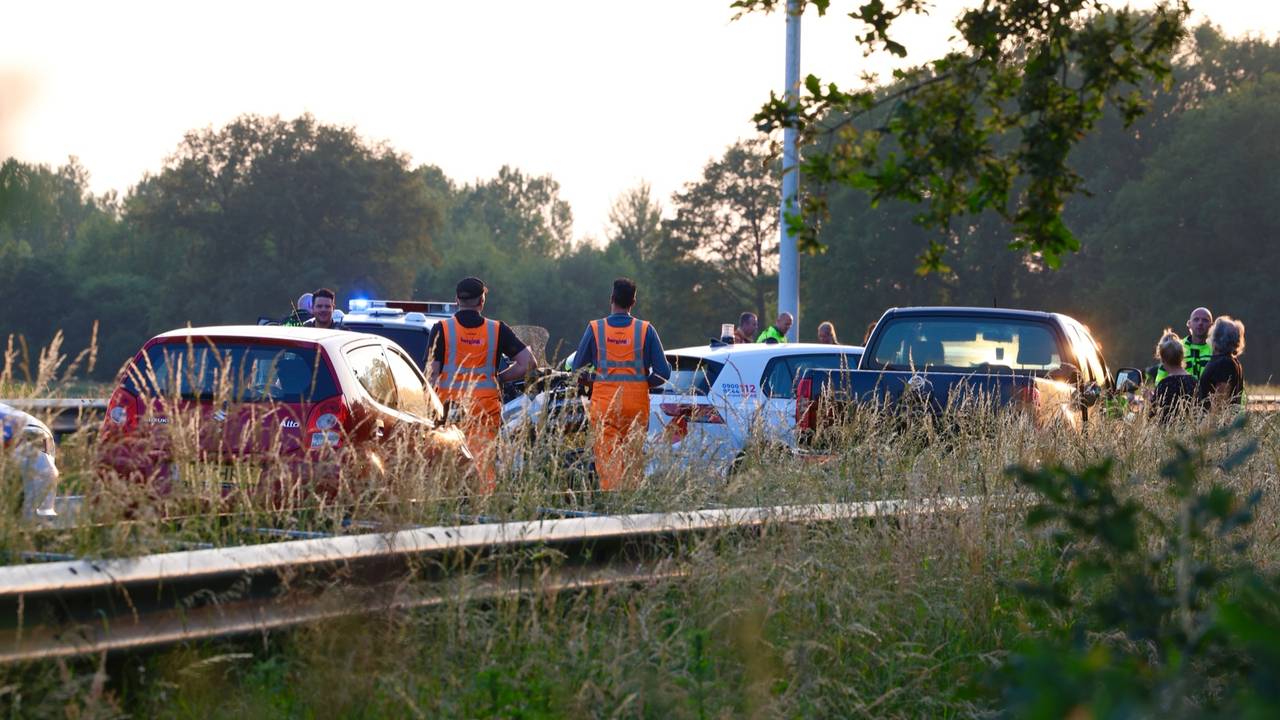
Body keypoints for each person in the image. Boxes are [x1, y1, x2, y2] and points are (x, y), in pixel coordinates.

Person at [428, 277, 535, 492]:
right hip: (484, 412)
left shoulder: (441, 329)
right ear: (482, 301)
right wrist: (499, 378)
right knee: (482, 464)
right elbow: (528, 363)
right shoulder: (497, 329)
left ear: (456, 300)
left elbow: (431, 375)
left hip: (448, 411)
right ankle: (483, 504)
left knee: (447, 466)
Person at [571, 278, 671, 491]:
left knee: (608, 462)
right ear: (633, 302)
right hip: (636, 407)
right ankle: (630, 502)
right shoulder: (646, 330)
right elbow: (663, 372)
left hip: (605, 407)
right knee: (632, 462)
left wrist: (593, 381)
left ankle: (612, 501)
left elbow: (576, 369)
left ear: (612, 299)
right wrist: (642, 384)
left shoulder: (595, 329)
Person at [1197, 316, 1245, 411]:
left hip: (1216, 420)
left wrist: (1208, 420)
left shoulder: (1224, 363)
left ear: (1217, 337)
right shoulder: (1230, 361)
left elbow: (1219, 403)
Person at [1154, 307, 1213, 384]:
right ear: (1189, 324)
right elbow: (1160, 379)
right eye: (1196, 319)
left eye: (1205, 320)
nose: (1200, 323)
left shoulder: (1216, 349)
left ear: (1212, 325)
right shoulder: (1177, 348)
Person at [1149, 330, 1197, 422]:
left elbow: (1153, 414)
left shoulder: (1164, 384)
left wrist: (1150, 399)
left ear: (1163, 360)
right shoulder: (1194, 381)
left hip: (1170, 430)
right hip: (1192, 429)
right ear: (1182, 357)